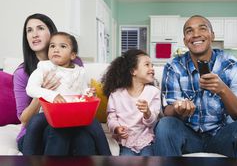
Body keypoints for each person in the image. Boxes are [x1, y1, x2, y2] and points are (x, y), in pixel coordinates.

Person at [154, 15, 237, 157]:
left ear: (212, 35)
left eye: (202, 28)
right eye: (189, 31)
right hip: (189, 137)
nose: (196, 35)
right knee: (165, 125)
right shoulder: (174, 67)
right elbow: (167, 112)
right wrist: (178, 109)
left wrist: (223, 90)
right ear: (185, 41)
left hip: (223, 136)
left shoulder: (232, 65)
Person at [13, 13, 111, 155]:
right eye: (29, 30)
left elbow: (82, 90)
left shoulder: (75, 65)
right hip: (42, 124)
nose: (34, 34)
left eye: (40, 28)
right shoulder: (30, 71)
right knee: (56, 129)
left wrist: (87, 95)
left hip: (72, 118)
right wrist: (46, 94)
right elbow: (25, 119)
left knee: (84, 137)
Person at [102, 49, 161, 156]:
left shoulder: (154, 92)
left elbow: (153, 122)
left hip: (146, 141)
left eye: (152, 65)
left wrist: (147, 113)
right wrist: (116, 128)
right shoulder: (116, 94)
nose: (152, 68)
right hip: (125, 142)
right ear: (133, 71)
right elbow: (111, 118)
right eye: (147, 65)